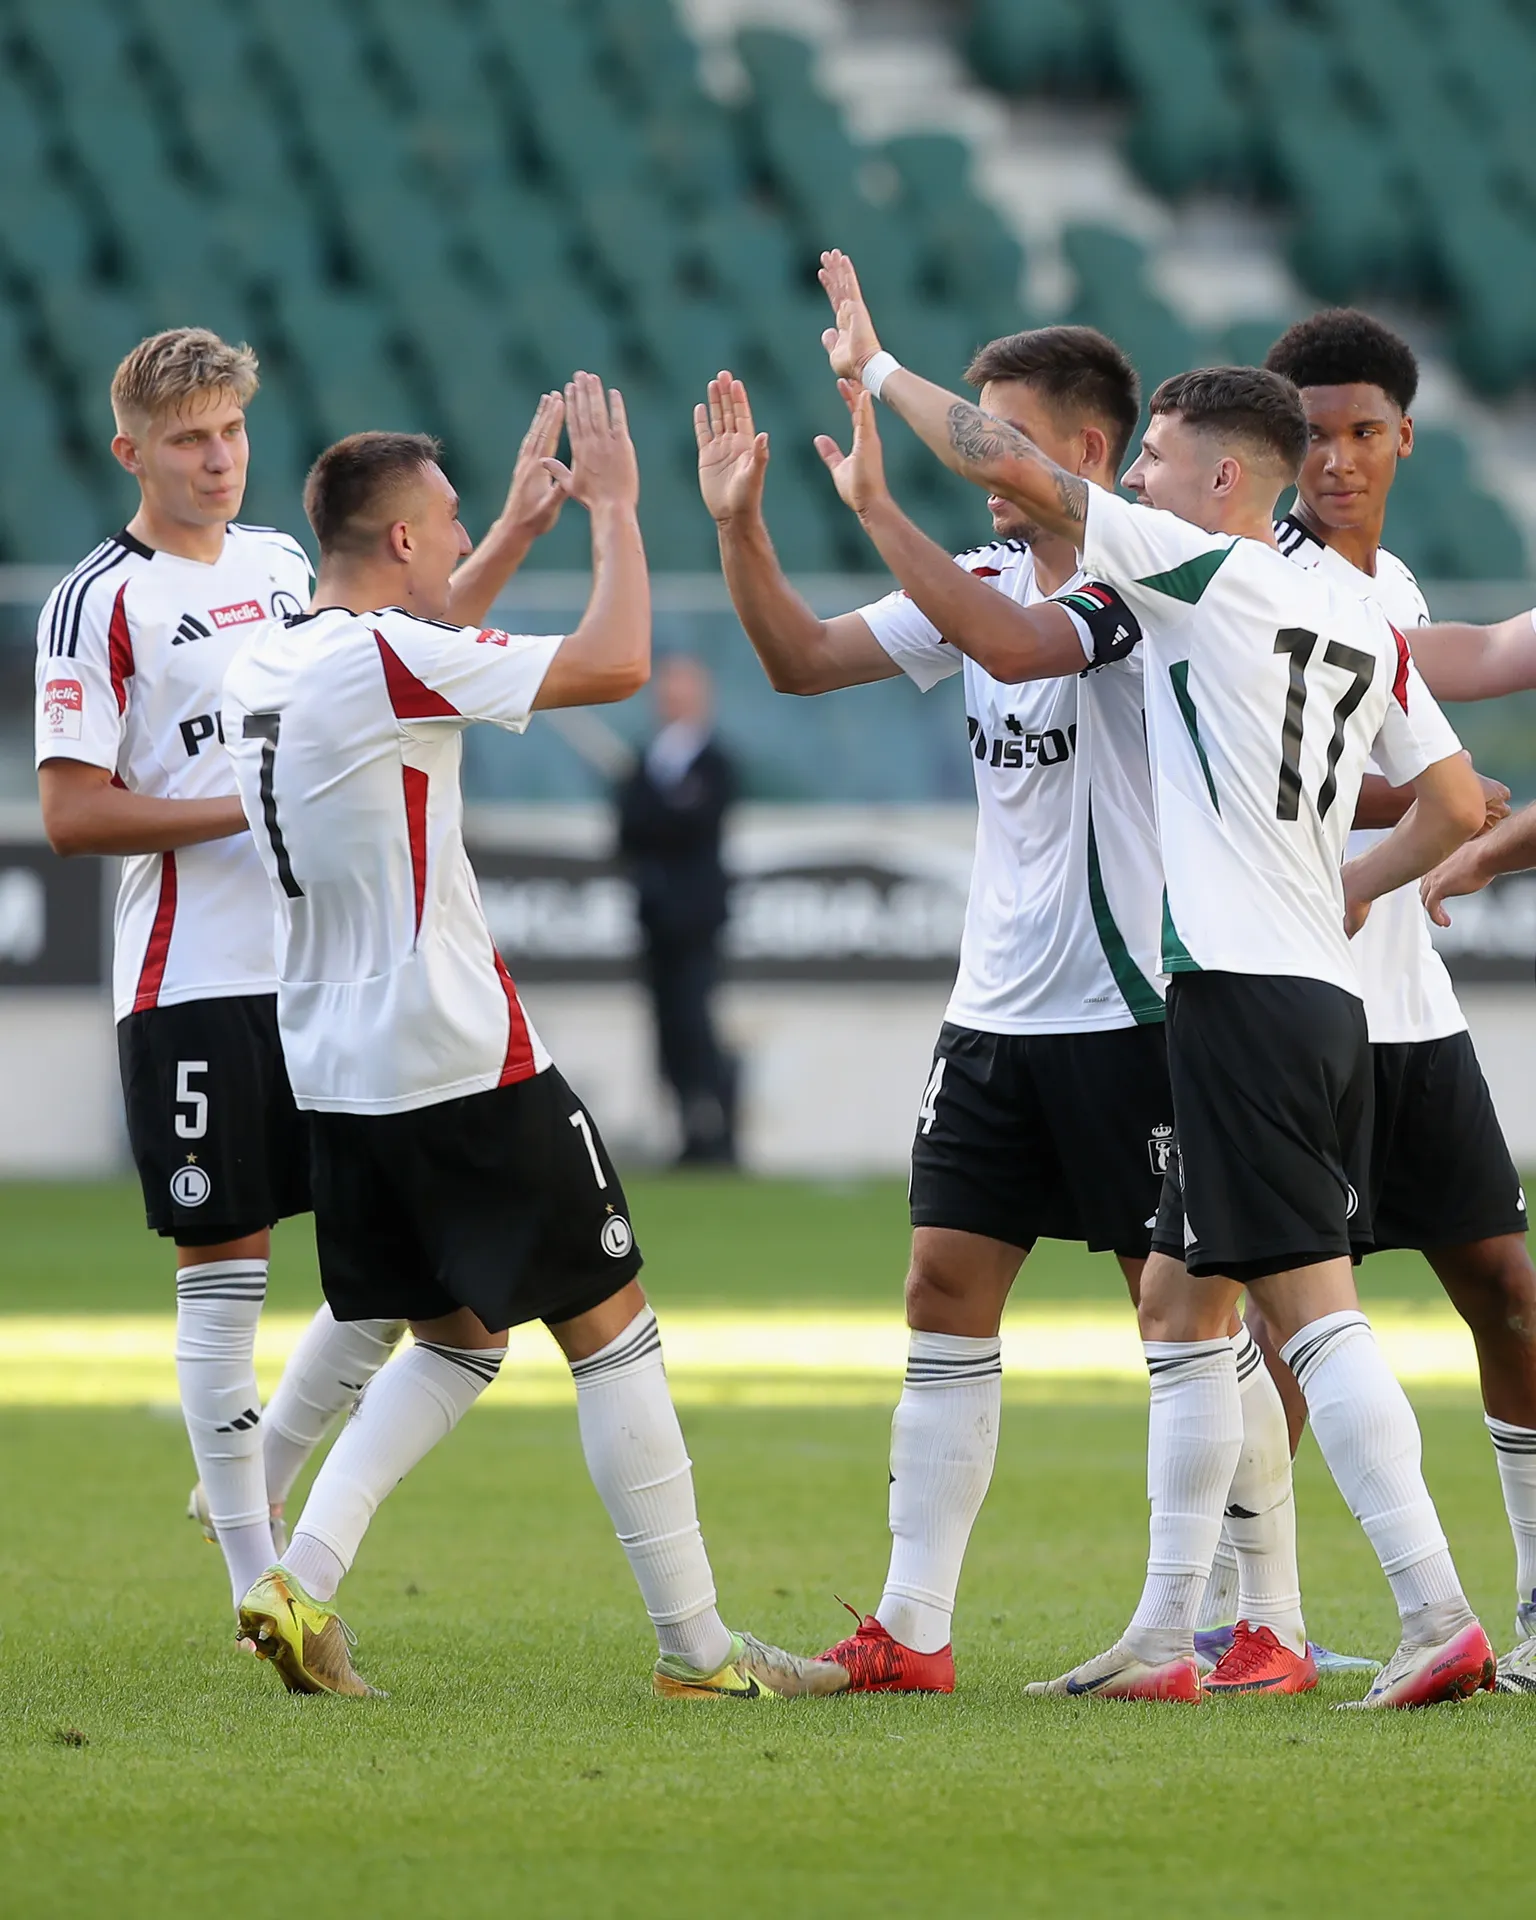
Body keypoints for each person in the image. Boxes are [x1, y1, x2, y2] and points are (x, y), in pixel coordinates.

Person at [818, 249, 1496, 1706]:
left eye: (1168, 464)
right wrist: (1348, 889)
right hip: (1314, 988)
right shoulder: (1360, 614)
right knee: (1221, 1310)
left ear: (1232, 486)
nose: (1145, 483)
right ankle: (1173, 1626)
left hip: (1243, 995)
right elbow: (1452, 801)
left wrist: (877, 368)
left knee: (1309, 1315)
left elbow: (1021, 467)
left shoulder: (1213, 572)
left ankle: (1436, 1611)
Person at [697, 333, 1303, 1697]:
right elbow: (797, 658)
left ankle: (1258, 1615)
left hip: (1136, 1007)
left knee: (1181, 1314)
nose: (970, 458)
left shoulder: (1141, 577)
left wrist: (873, 506)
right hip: (996, 1014)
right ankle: (913, 1630)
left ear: (1080, 453)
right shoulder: (969, 578)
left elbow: (1021, 655)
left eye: (996, 432)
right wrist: (741, 528)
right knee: (943, 1288)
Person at [223, 381, 840, 1702]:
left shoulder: (270, 654)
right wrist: (616, 513)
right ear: (397, 542)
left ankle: (298, 1575)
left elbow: (422, 634)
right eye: (446, 526)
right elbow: (612, 662)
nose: (459, 545)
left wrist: (505, 529)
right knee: (611, 1328)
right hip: (455, 1051)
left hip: (334, 1065)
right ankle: (700, 1653)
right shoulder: (382, 658)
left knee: (457, 1339)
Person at [32, 328, 417, 1619]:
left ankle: (259, 1477)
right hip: (192, 979)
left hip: (322, 971)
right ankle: (260, 1582)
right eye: (190, 440)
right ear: (128, 450)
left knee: (398, 1263)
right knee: (226, 1269)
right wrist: (242, 807)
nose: (218, 459)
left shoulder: (281, 564)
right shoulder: (98, 603)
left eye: (234, 433)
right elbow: (74, 813)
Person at [1236, 309, 1536, 1694]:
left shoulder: (1391, 582)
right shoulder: (1255, 579)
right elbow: (1389, 739)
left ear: (1407, 436)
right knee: (1286, 1334)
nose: (1337, 460)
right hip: (1298, 1004)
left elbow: (1433, 710)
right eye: (1313, 436)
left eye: (1363, 432)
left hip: (1412, 1011)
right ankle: (1257, 1622)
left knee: (1506, 1294)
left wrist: (1458, 835)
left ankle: (1530, 1618)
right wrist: (1439, 818)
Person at [615, 653, 738, 1165]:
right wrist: (662, 808)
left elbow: (691, 823)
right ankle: (687, 1130)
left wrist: (659, 812)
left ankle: (721, 1132)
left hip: (697, 919)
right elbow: (628, 831)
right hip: (654, 918)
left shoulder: (716, 762)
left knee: (697, 1023)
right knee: (666, 1028)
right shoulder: (646, 764)